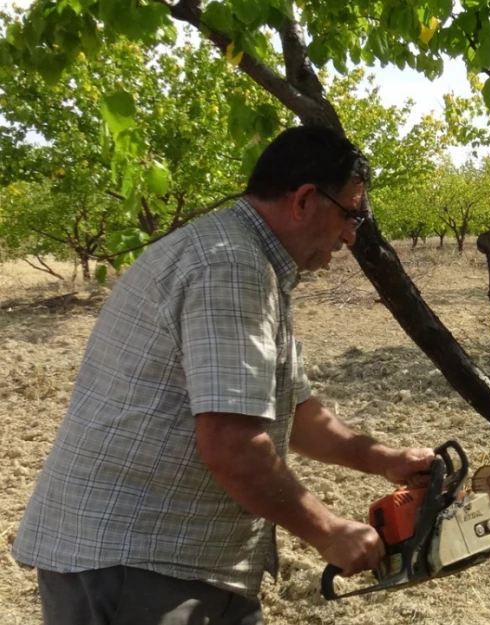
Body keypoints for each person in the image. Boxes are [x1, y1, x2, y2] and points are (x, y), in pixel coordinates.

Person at [12, 125, 434, 624]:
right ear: (303, 200)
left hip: (166, 562)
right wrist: (329, 531)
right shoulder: (232, 267)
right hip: (136, 564)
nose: (350, 235)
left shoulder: (246, 260)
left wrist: (384, 459)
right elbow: (232, 444)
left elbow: (294, 411)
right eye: (350, 214)